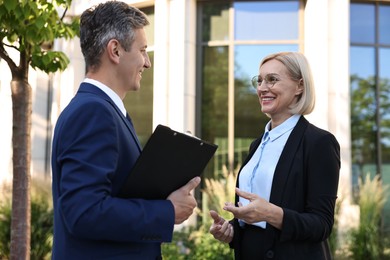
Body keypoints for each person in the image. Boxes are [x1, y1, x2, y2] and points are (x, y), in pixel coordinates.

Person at [51, 2, 200, 259]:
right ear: (116, 50)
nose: (147, 63)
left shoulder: (102, 110)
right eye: (143, 50)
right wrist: (167, 211)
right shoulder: (94, 113)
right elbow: (84, 212)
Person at [209, 52, 340, 259]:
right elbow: (256, 220)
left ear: (300, 86)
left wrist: (270, 213)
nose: (262, 88)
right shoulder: (257, 144)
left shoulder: (319, 143)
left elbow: (321, 225)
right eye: (259, 81)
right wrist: (232, 230)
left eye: (272, 80)